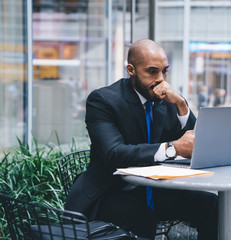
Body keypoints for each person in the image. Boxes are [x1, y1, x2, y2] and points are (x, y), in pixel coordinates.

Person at [65, 39, 218, 240]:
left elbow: (186, 140)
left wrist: (181, 104)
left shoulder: (164, 100)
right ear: (131, 70)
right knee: (142, 217)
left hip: (154, 189)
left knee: (212, 205)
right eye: (152, 71)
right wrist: (172, 149)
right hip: (110, 193)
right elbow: (114, 153)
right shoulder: (103, 101)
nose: (160, 79)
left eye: (164, 71)